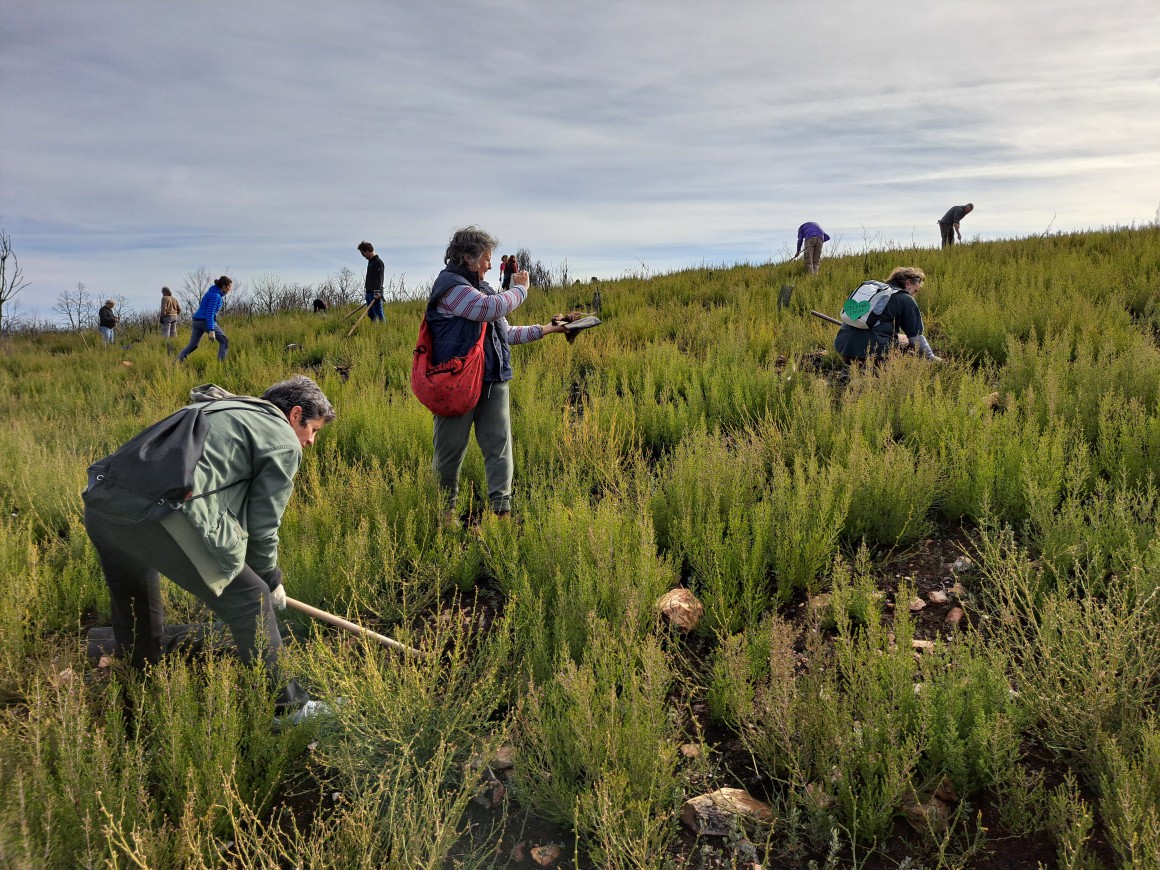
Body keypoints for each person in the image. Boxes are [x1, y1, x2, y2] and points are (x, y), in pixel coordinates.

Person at [83, 376, 336, 716]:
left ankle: (136, 701)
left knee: (137, 609)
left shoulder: (218, 407)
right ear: (294, 415)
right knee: (251, 599)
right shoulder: (282, 441)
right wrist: (269, 580)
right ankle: (290, 711)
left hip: (104, 506)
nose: (310, 442)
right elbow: (263, 526)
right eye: (314, 430)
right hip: (159, 516)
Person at [427, 227, 566, 520]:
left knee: (499, 448)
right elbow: (487, 309)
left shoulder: (481, 289)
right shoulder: (451, 288)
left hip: (492, 379)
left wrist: (547, 329)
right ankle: (443, 517)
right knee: (449, 454)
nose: (491, 265)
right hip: (458, 383)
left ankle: (501, 514)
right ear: (469, 258)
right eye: (487, 259)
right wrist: (521, 289)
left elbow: (504, 332)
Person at [834, 266, 941, 363]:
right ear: (907, 283)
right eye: (915, 291)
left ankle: (851, 369)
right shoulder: (905, 298)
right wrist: (932, 358)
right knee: (909, 343)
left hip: (843, 348)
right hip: (874, 354)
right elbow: (916, 337)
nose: (914, 295)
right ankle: (878, 368)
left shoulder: (874, 292)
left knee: (901, 338)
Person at [177, 276, 232, 363]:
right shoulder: (216, 296)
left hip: (197, 321)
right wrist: (211, 330)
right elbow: (209, 313)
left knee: (193, 345)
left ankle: (176, 363)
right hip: (204, 321)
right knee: (224, 341)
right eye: (229, 287)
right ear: (224, 286)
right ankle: (221, 366)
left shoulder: (212, 292)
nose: (230, 289)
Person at [358, 241, 385, 322]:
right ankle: (374, 329)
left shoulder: (378, 262)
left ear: (367, 250)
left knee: (378, 313)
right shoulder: (371, 262)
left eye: (363, 253)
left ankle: (382, 329)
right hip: (369, 292)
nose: (363, 256)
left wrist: (377, 292)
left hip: (375, 293)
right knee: (371, 314)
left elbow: (379, 278)